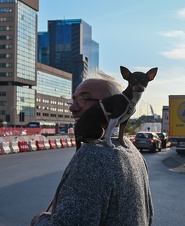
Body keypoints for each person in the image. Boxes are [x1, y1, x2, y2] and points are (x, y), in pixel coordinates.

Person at [31, 70, 154, 226]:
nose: (73, 108)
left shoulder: (93, 156)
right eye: (74, 100)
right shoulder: (133, 152)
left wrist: (39, 220)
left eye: (85, 99)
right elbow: (148, 217)